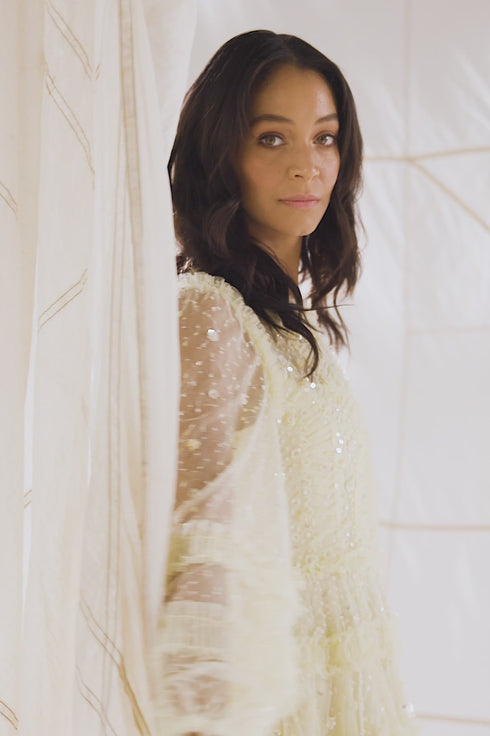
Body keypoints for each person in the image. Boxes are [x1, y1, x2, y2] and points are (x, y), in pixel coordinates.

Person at [153, 30, 416, 736]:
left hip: (340, 685)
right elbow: (201, 557)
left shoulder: (291, 324)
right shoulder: (208, 312)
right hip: (275, 702)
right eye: (272, 138)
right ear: (222, 154)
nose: (307, 166)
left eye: (325, 138)